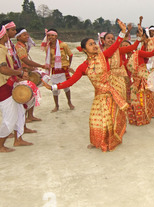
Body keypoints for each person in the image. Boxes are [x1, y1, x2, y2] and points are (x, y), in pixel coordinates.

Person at [42, 19, 130, 152]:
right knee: (94, 120)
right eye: (90, 44)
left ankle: (109, 140)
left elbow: (115, 45)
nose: (94, 45)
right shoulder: (83, 66)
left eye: (94, 43)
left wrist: (123, 32)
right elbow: (70, 82)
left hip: (110, 93)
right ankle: (96, 141)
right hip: (99, 96)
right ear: (84, 49)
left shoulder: (103, 56)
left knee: (108, 119)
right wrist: (53, 87)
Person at [0, 23, 33, 153]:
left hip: (6, 84)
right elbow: (3, 69)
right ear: (3, 35)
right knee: (10, 118)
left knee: (20, 111)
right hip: (1, 87)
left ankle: (18, 139)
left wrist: (17, 76)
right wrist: (20, 73)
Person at [126, 25, 154, 126]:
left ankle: (145, 117)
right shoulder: (130, 56)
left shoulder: (139, 52)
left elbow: (151, 54)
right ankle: (137, 118)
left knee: (144, 97)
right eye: (123, 46)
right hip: (136, 81)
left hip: (144, 79)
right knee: (134, 99)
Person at [15, 27, 48, 123]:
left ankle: (30, 116)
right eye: (24, 35)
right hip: (23, 74)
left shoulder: (23, 46)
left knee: (32, 94)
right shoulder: (19, 47)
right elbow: (25, 61)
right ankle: (24, 118)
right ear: (18, 37)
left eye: (27, 34)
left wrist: (32, 68)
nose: (27, 36)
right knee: (26, 95)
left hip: (26, 72)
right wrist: (40, 65)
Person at [41, 28, 75, 112]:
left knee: (66, 87)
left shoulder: (63, 45)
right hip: (54, 70)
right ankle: (56, 106)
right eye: (48, 35)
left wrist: (68, 65)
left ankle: (69, 102)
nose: (50, 37)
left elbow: (70, 55)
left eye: (52, 35)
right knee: (54, 88)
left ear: (56, 36)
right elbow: (48, 59)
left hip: (63, 69)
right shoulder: (47, 47)